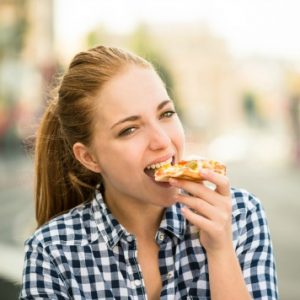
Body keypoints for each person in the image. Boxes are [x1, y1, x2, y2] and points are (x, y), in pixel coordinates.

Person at [20, 45, 278, 300]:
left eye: (166, 113)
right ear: (89, 157)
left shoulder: (241, 216)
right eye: (129, 129)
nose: (162, 140)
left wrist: (221, 251)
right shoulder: (51, 251)